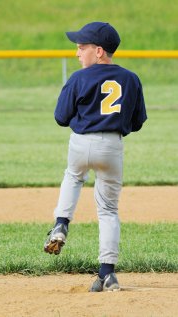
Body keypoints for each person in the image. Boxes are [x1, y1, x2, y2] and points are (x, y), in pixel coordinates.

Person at [44, 22, 147, 292]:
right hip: (112, 146)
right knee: (109, 210)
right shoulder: (131, 78)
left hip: (80, 143)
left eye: (82, 48)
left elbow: (60, 117)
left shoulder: (79, 78)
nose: (78, 53)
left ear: (99, 51)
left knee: (74, 176)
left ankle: (61, 224)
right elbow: (137, 122)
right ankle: (107, 274)